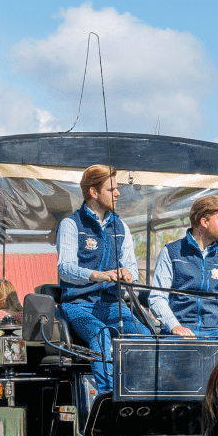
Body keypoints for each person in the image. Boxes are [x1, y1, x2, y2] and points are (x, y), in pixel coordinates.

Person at [57, 164, 143, 399]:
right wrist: (97, 275)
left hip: (113, 305)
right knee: (101, 334)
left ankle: (142, 397)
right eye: (111, 189)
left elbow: (133, 269)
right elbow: (65, 269)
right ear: (93, 192)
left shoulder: (122, 228)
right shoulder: (71, 225)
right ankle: (109, 399)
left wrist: (128, 274)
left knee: (145, 338)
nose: (118, 193)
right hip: (78, 304)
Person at [148, 195, 218, 338]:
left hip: (216, 335)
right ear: (204, 222)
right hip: (178, 336)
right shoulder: (171, 252)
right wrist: (175, 326)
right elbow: (157, 297)